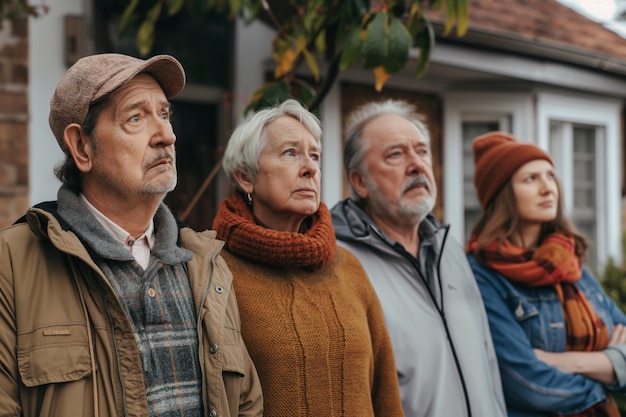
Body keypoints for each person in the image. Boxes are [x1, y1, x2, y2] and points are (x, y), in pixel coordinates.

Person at [0, 53, 263, 417]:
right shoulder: (12, 264)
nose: (167, 135)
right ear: (81, 147)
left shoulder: (207, 266)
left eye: (166, 114)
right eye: (136, 118)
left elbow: (247, 403)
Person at [211, 98, 404, 417]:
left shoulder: (348, 267)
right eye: (290, 153)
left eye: (314, 155)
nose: (311, 167)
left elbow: (385, 394)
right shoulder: (215, 272)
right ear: (245, 176)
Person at [330, 99, 506, 417]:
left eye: (422, 151)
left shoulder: (449, 248)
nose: (417, 165)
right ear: (359, 182)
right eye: (396, 154)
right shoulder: (339, 266)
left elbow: (488, 363)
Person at [467, 131, 626, 417]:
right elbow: (530, 386)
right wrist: (608, 372)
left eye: (551, 176)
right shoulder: (483, 276)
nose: (548, 188)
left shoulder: (567, 260)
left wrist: (570, 362)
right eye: (531, 178)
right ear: (502, 193)